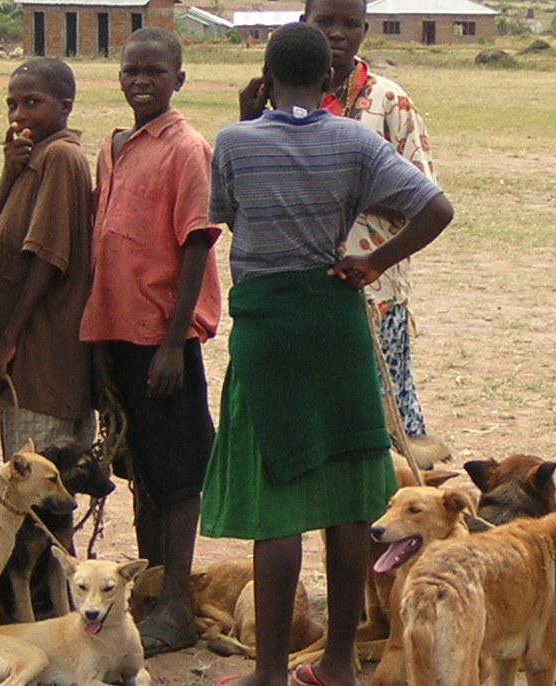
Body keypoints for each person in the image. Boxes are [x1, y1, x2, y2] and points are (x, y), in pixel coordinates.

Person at [203, 23, 452, 686]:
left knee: (276, 502)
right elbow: (436, 207)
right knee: (349, 497)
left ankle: (269, 674)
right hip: (336, 314)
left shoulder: (233, 140)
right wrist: (373, 263)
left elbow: (228, 213)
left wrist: (248, 117)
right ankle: (340, 663)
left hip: (269, 325)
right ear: (328, 82)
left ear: (266, 73)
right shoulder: (352, 137)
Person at [80, 27, 219, 656]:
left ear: (178, 81)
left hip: (162, 335)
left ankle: (177, 603)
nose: (141, 81)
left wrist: (171, 343)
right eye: (131, 71)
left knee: (179, 472)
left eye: (155, 72)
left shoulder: (187, 149)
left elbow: (196, 243)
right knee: (143, 468)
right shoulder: (114, 147)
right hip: (116, 329)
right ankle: (153, 581)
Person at [300, 0, 438, 440]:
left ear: (365, 28)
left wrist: (349, 190)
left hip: (374, 288)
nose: (337, 34)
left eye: (349, 24)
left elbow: (425, 202)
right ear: (304, 24)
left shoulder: (388, 101)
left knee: (385, 417)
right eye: (325, 22)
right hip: (301, 287)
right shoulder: (284, 95)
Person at [0, 58, 94, 455]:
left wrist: (8, 343)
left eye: (32, 103)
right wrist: (8, 171)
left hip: (44, 358)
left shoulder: (60, 158)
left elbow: (47, 259)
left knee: (40, 494)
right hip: (24, 359)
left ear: (65, 107)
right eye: (12, 105)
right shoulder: (31, 160)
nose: (19, 115)